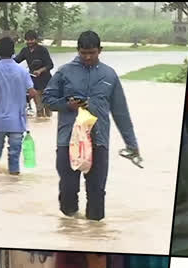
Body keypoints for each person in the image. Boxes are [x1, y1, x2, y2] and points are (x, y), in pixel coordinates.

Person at [43, 30, 139, 221]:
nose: (87, 57)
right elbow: (47, 99)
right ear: (78, 50)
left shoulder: (109, 75)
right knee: (68, 190)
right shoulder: (64, 72)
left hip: (99, 140)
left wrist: (132, 144)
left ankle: (94, 235)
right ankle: (70, 230)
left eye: (92, 53)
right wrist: (66, 105)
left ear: (100, 51)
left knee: (97, 194)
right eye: (83, 53)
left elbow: (121, 112)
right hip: (68, 141)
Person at [0, 37, 36, 176]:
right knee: (14, 159)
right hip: (17, 122)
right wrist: (23, 100)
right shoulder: (22, 71)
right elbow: (32, 92)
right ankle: (13, 189)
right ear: (13, 51)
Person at [14, 30, 54, 120]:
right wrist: (6, 60)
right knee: (39, 108)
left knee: (47, 110)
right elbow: (16, 61)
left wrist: (40, 70)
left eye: (31, 40)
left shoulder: (42, 50)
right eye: (27, 40)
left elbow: (50, 65)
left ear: (36, 40)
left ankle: (46, 123)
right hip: (34, 82)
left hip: (46, 81)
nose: (29, 42)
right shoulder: (25, 51)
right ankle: (40, 120)